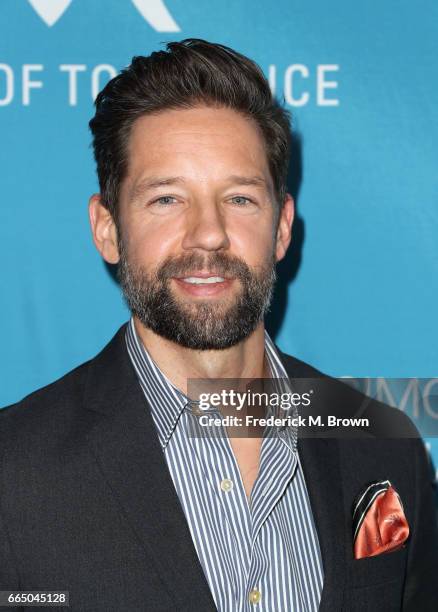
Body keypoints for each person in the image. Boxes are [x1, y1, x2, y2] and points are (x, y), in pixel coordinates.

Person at [0, 39, 437, 612]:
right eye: (165, 199)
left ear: (281, 227)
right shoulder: (13, 475)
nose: (207, 234)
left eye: (238, 198)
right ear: (107, 228)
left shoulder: (384, 447)